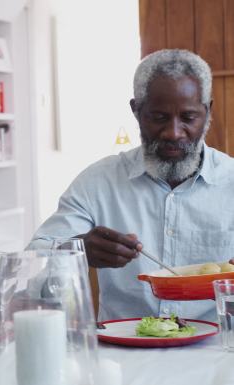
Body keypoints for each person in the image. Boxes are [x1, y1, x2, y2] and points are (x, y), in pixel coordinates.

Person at [28, 49, 234, 322]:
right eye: (159, 117)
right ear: (136, 111)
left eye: (188, 117)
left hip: (219, 353)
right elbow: (28, 267)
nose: (173, 132)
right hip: (123, 357)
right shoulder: (97, 183)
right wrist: (75, 251)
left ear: (208, 112)